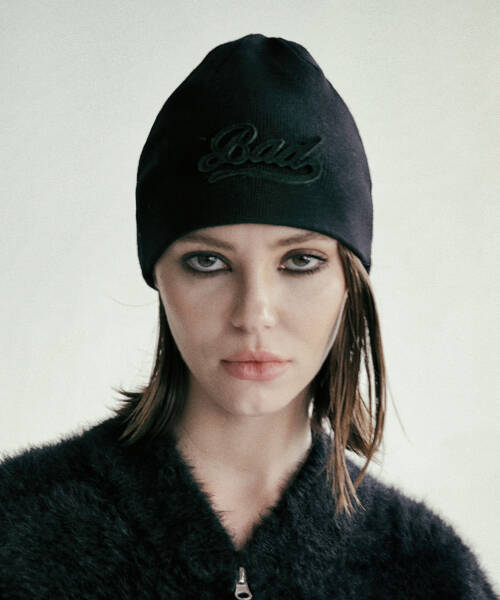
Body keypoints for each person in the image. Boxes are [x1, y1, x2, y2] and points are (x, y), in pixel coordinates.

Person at [0, 33, 497, 600]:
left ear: (349, 282)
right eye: (208, 261)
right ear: (158, 274)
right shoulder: (17, 531)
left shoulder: (430, 574)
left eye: (300, 261)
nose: (253, 314)